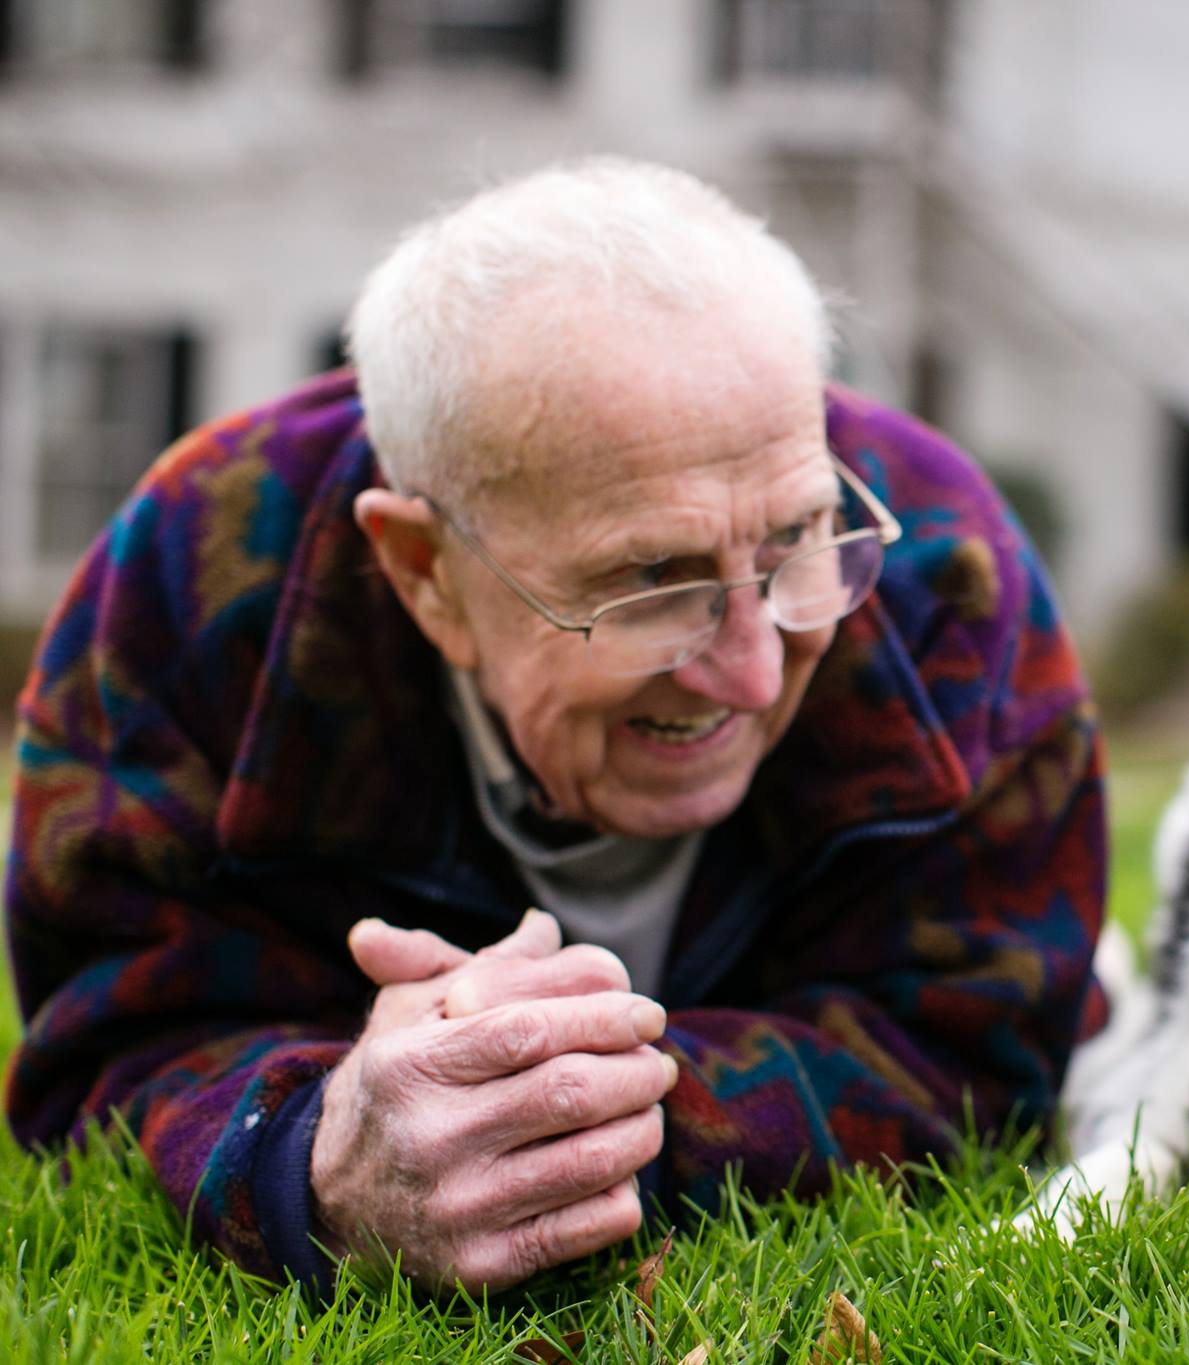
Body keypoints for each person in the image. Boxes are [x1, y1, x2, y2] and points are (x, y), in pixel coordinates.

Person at [3, 158, 1106, 1292]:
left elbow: (982, 1045)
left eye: (794, 544)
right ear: (424, 572)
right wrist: (315, 1152)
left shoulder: (941, 568)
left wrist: (562, 1102)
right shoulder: (194, 576)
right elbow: (105, 1047)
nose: (751, 668)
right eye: (651, 581)